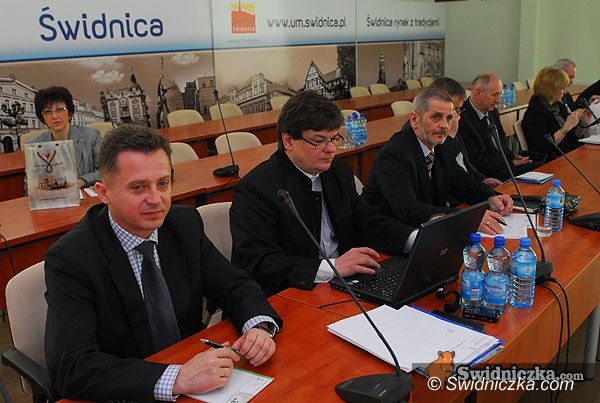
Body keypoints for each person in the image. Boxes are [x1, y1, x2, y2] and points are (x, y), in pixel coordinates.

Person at [44, 125, 282, 402]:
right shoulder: (71, 258)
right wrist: (176, 378)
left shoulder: (183, 224)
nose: (156, 199)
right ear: (103, 192)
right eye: (138, 187)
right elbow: (71, 365)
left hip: (197, 375)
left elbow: (234, 285)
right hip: (129, 389)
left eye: (163, 183)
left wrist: (258, 326)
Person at [229, 90, 416, 297]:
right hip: (291, 292)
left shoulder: (337, 171)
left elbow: (366, 221)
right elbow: (261, 262)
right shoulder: (256, 188)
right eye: (318, 141)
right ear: (288, 141)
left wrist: (415, 239)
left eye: (334, 138)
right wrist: (332, 267)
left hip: (342, 284)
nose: (330, 149)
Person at [362, 88, 513, 235]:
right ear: (414, 119)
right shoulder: (394, 154)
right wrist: (467, 218)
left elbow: (463, 183)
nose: (445, 125)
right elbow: (409, 209)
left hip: (426, 231)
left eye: (449, 118)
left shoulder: (442, 146)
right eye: (436, 117)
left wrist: (491, 197)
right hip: (391, 236)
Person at [458, 72, 542, 181]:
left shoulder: (492, 112)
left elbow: (502, 143)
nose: (498, 100)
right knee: (539, 168)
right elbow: (475, 162)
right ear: (478, 93)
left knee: (541, 167)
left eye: (499, 94)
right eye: (494, 95)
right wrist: (510, 163)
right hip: (488, 174)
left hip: (502, 165)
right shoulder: (462, 119)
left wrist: (514, 158)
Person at [429, 77, 502, 188]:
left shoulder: (454, 122)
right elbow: (448, 173)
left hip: (469, 183)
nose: (458, 116)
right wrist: (450, 136)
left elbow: (464, 162)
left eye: (459, 110)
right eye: (454, 110)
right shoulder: (439, 132)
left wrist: (483, 179)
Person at [30, 86, 101, 188]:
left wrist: (82, 181)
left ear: (70, 113)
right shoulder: (34, 145)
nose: (54, 116)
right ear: (43, 118)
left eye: (59, 109)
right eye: (48, 111)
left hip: (84, 193)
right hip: (53, 196)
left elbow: (106, 171)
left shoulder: (92, 136)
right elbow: (30, 183)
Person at [522, 67, 596, 160]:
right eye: (562, 88)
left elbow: (572, 136)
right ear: (551, 89)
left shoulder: (558, 105)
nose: (565, 92)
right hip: (550, 157)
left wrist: (583, 123)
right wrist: (567, 126)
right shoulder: (535, 112)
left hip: (565, 151)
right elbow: (546, 146)